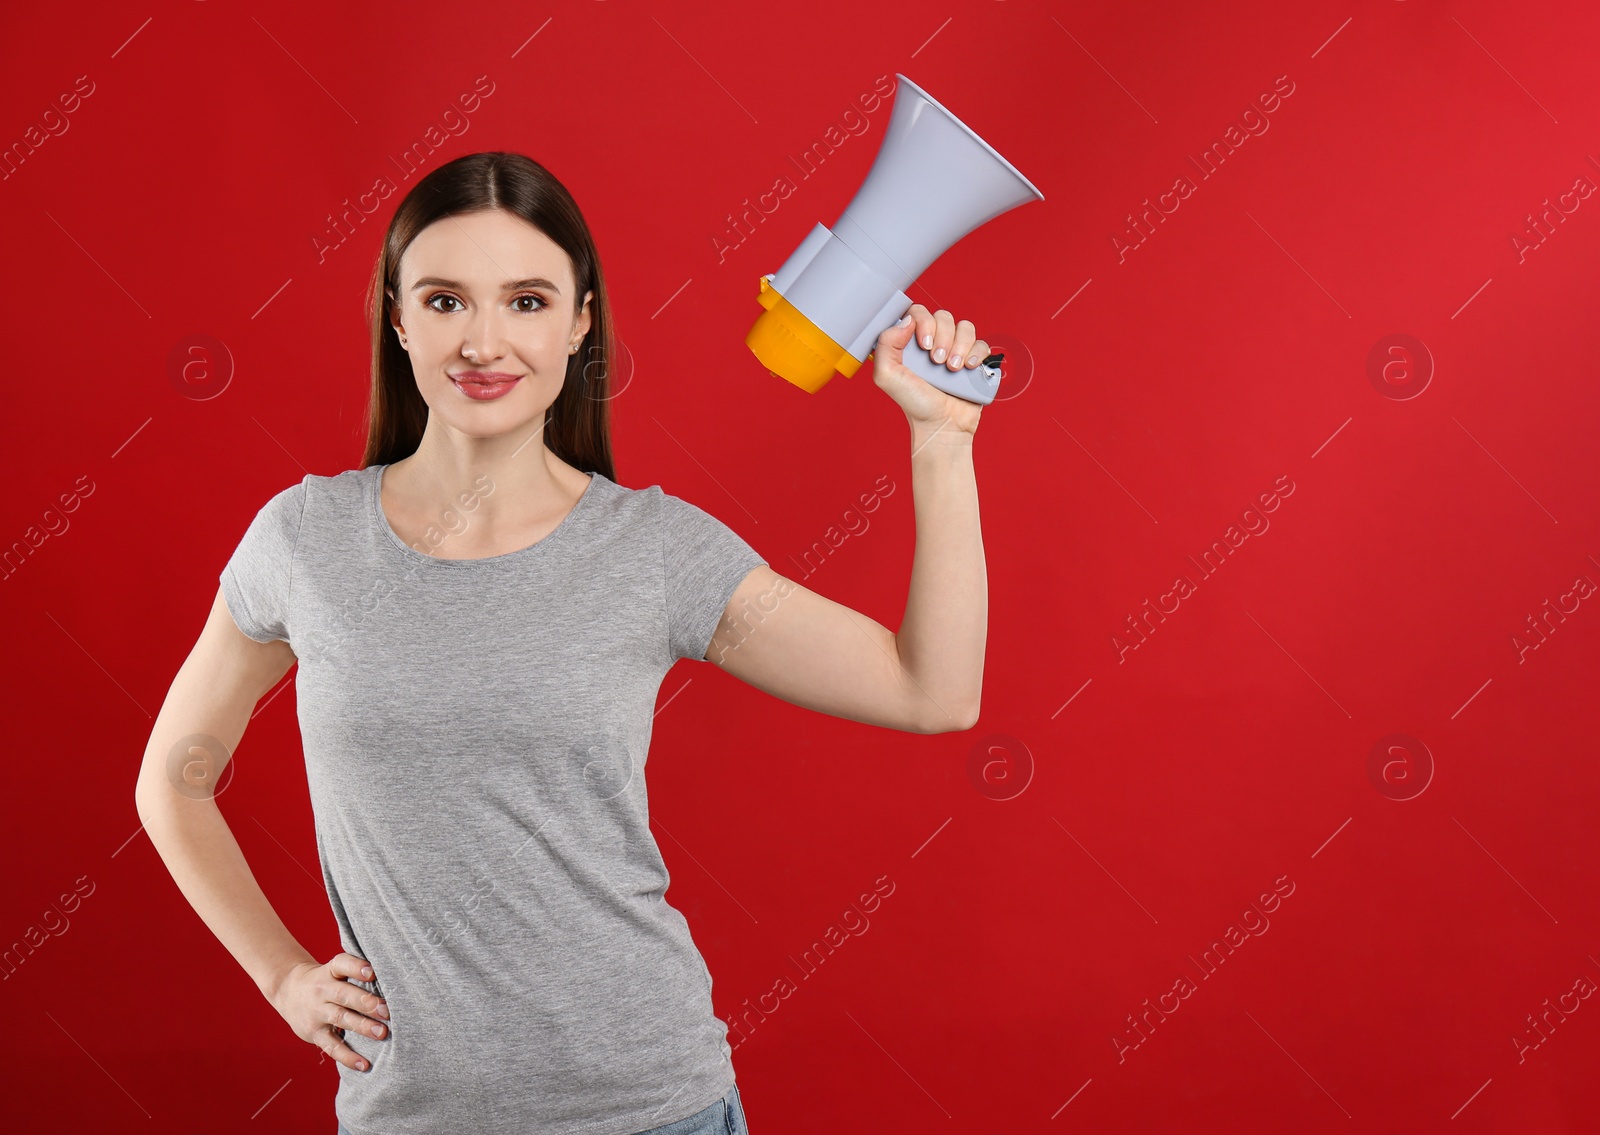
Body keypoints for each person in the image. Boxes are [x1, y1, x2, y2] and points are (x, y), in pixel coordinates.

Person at [134, 151, 989, 1135]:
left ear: (581, 320)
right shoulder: (306, 541)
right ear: (399, 317)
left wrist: (942, 441)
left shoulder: (654, 551)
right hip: (412, 1114)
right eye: (446, 300)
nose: (484, 340)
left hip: (648, 1104)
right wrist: (281, 974)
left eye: (528, 301)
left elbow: (931, 691)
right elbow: (174, 777)